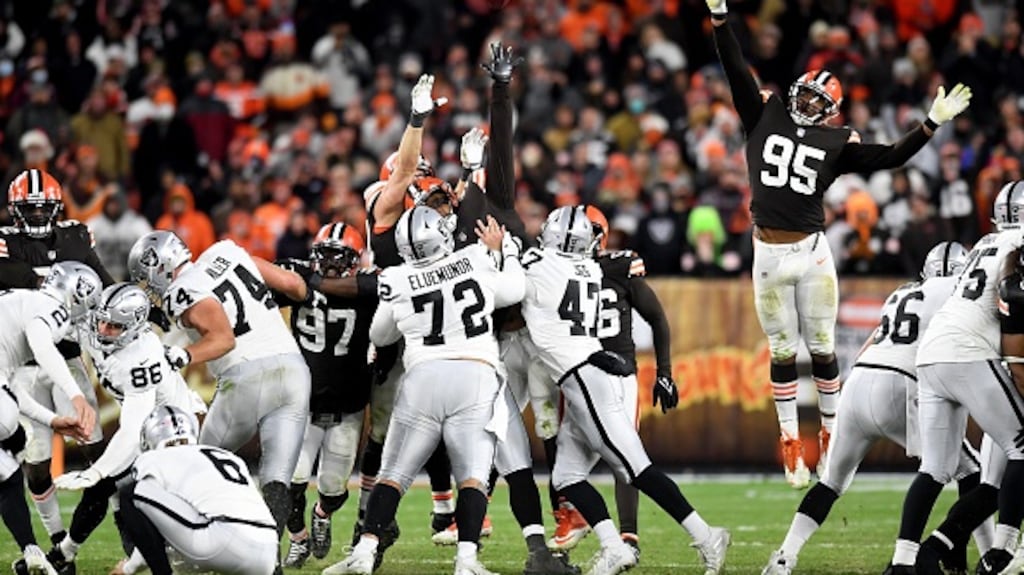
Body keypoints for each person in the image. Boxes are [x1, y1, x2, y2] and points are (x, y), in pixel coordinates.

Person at [706, 0, 973, 488]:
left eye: (816, 101)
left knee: (824, 345)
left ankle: (830, 432)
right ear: (795, 92)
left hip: (812, 252)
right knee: (783, 348)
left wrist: (930, 123)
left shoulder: (836, 144)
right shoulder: (762, 113)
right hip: (769, 251)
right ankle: (790, 438)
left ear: (830, 113)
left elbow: (891, 156)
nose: (807, 105)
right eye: (804, 95)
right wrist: (721, 20)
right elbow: (734, 68)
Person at [519, 206, 730, 575]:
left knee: (635, 467)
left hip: (590, 377)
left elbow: (519, 268)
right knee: (566, 477)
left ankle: (706, 534)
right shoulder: (586, 268)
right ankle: (615, 547)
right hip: (590, 372)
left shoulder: (549, 263)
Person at [761, 242, 991, 574]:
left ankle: (785, 556)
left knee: (831, 482)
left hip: (858, 382)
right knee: (970, 471)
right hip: (902, 384)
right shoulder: (958, 291)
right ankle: (976, 559)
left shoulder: (902, 293)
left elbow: (872, 342)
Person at [323, 207, 524, 575]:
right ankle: (466, 560)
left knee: (394, 473)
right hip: (475, 374)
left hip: (423, 376)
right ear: (443, 236)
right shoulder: (475, 259)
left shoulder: (397, 278)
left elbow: (380, 335)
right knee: (473, 474)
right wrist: (504, 252)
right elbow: (516, 290)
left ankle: (364, 553)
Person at [127, 231, 310, 541]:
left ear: (161, 267)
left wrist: (182, 355)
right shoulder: (230, 252)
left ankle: (179, 545)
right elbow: (295, 286)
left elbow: (223, 339)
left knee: (196, 465)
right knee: (277, 480)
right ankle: (268, 560)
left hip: (246, 375)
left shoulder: (181, 290)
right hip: (294, 369)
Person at [886, 183, 1024, 574]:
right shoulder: (1018, 242)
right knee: (1022, 449)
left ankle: (910, 560)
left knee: (935, 468)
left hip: (931, 356)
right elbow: (1014, 297)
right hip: (970, 353)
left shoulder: (984, 242)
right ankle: (1002, 553)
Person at [47, 284, 207, 573]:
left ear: (134, 327)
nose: (104, 330)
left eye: (115, 326)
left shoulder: (141, 357)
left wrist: (96, 470)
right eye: (103, 321)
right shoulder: (93, 323)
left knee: (113, 486)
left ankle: (70, 554)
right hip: (147, 423)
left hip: (171, 430)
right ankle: (90, 554)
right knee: (116, 490)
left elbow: (134, 432)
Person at [0, 169, 112, 554]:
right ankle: (58, 540)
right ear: (15, 211)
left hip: (67, 359)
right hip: (25, 370)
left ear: (55, 208)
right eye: (27, 210)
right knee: (37, 462)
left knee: (98, 451)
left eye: (41, 209)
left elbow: (104, 283)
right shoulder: (4, 240)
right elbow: (7, 273)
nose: (34, 217)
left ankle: (124, 537)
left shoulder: (76, 235)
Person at [262, 222, 378, 568]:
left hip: (348, 403)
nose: (328, 264)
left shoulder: (370, 284)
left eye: (337, 257)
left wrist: (309, 283)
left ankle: (323, 513)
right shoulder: (300, 276)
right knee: (291, 482)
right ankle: (297, 539)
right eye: (323, 256)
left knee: (332, 488)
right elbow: (259, 271)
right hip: (304, 403)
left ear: (355, 260)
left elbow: (370, 287)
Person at [0, 262, 99, 575]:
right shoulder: (51, 308)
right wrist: (76, 395)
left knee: (9, 473)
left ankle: (31, 551)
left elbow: (11, 388)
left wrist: (53, 421)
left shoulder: (23, 303)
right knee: (12, 438)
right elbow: (43, 346)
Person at [115, 406, 278, 575]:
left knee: (130, 493)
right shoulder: (228, 456)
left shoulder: (154, 458)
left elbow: (146, 512)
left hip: (221, 541)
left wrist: (128, 569)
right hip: (268, 550)